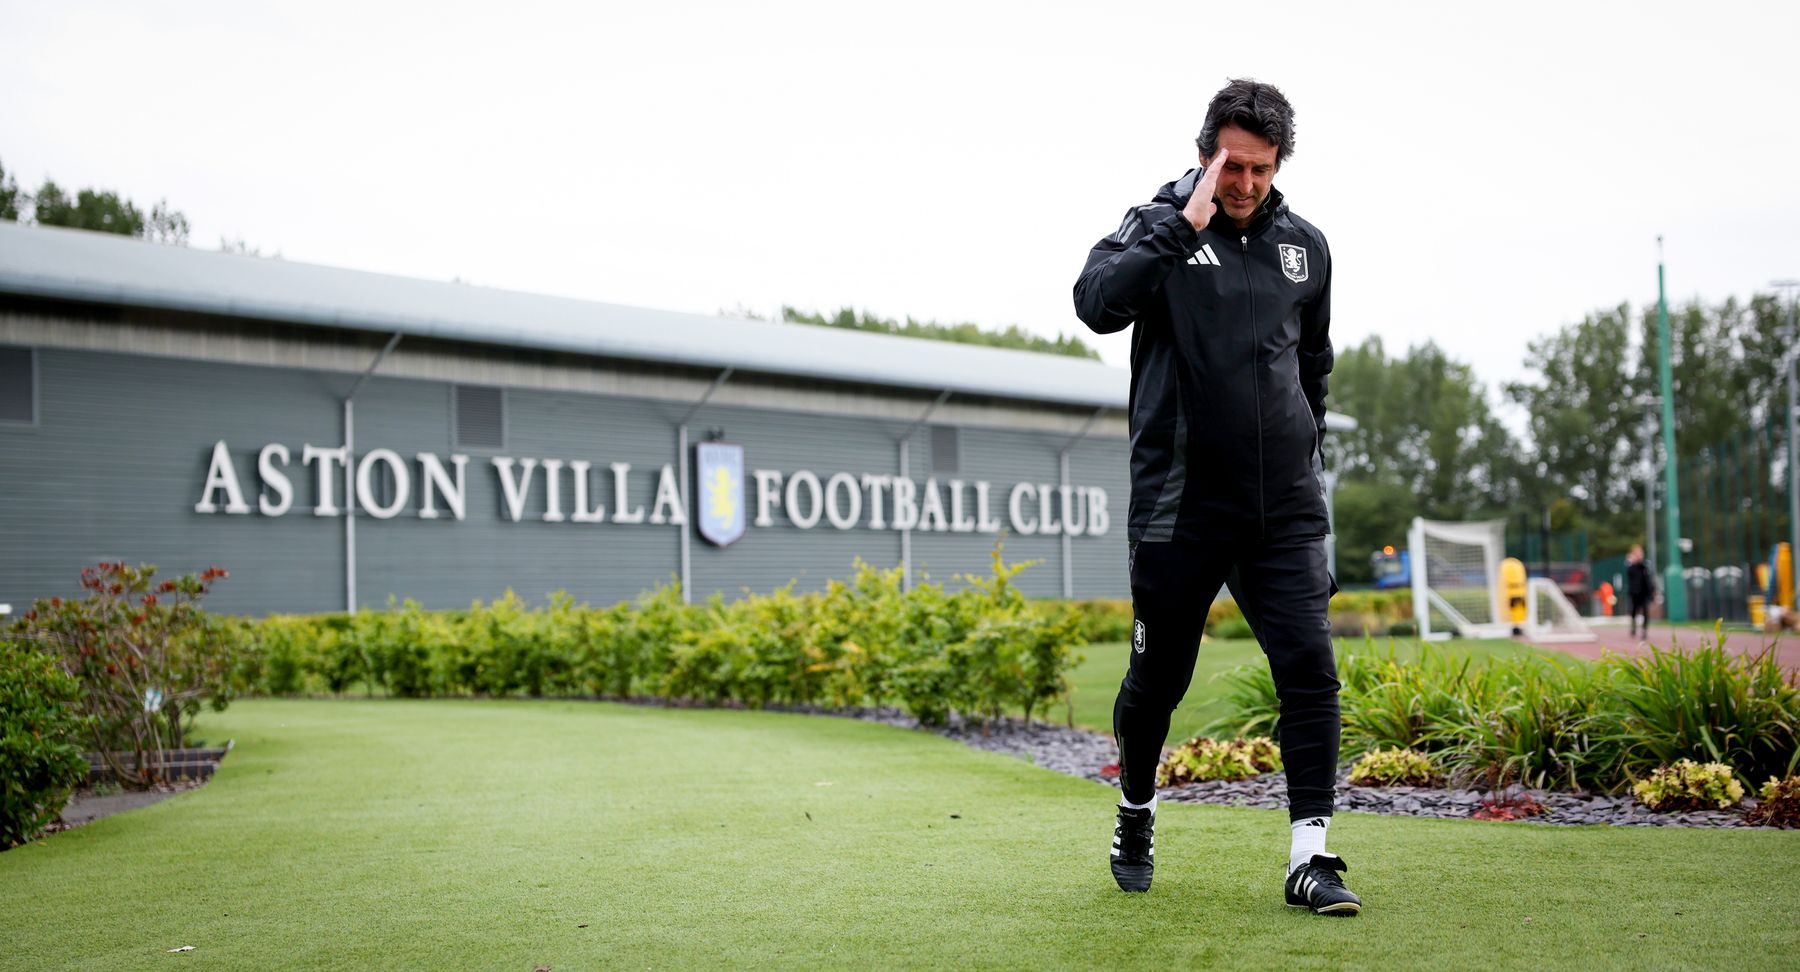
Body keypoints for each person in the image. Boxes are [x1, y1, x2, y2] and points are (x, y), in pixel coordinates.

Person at [1073, 78, 1359, 916]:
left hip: (1283, 515)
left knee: (1310, 672)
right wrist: (1179, 227)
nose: (1244, 185)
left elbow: (1314, 367)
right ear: (1205, 156)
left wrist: (1308, 462)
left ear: (1279, 166)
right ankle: (1135, 811)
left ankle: (1311, 859)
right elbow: (1096, 305)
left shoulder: (1306, 247)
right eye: (1231, 166)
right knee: (1158, 680)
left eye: (1260, 170)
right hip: (1178, 509)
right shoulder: (1155, 224)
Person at [1625, 544, 1654, 639]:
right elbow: (1629, 573)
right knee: (1634, 610)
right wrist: (1632, 562)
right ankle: (1633, 627)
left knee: (1645, 611)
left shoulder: (1645, 566)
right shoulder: (1631, 566)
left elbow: (1648, 578)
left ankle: (1644, 630)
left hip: (1644, 592)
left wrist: (1652, 590)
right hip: (1634, 592)